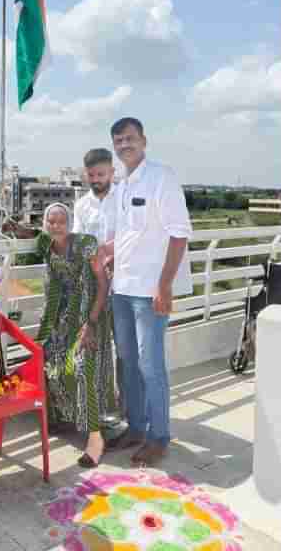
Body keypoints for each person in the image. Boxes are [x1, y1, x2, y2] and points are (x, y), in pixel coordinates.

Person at [98, 117, 193, 467]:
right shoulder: (121, 185)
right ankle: (136, 427)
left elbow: (179, 233)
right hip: (121, 288)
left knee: (151, 364)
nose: (125, 144)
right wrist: (106, 250)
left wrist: (165, 285)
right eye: (119, 140)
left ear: (144, 140)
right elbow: (127, 236)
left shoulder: (161, 178)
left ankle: (159, 436)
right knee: (128, 361)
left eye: (130, 138)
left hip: (150, 290)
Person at [33, 203, 117, 467]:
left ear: (70, 224)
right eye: (51, 221)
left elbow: (103, 283)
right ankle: (63, 417)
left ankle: (95, 438)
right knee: (50, 356)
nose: (56, 225)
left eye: (61, 221)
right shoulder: (45, 245)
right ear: (45, 224)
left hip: (93, 312)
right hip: (65, 314)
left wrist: (90, 323)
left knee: (83, 365)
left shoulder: (85, 244)